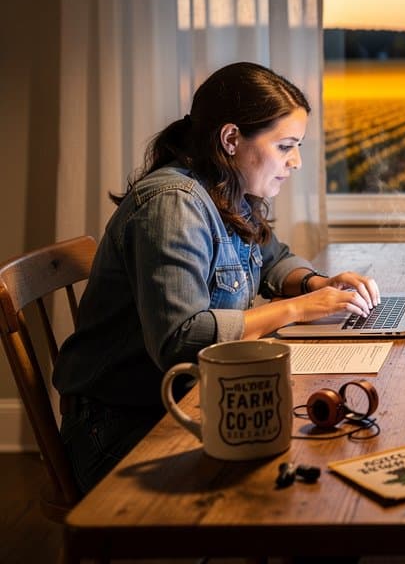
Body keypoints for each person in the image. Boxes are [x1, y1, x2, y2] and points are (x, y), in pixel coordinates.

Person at [54, 61, 381, 494]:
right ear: (230, 139)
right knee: (315, 479)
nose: (296, 161)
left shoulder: (223, 189)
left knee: (318, 461)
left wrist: (313, 284)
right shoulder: (173, 204)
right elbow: (180, 340)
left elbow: (271, 258)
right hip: (124, 428)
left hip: (187, 401)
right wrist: (299, 308)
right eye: (285, 146)